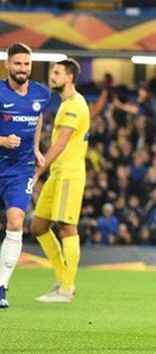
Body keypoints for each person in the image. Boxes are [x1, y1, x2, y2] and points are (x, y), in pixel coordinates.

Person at [30, 58, 90, 303]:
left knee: (67, 228)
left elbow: (61, 143)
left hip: (69, 174)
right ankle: (63, 280)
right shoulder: (67, 103)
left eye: (57, 72)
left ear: (70, 77)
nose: (52, 76)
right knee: (38, 227)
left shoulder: (73, 105)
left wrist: (37, 171)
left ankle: (66, 289)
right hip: (58, 173)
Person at [0, 42, 51, 308]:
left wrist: (35, 147)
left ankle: (2, 287)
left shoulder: (41, 93)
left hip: (20, 170)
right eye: (18, 63)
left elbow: (38, 117)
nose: (22, 69)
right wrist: (1, 140)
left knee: (17, 221)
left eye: (27, 64)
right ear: (8, 64)